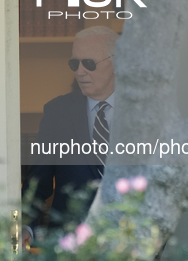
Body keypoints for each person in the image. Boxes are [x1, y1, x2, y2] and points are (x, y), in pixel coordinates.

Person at [22, 26, 118, 245]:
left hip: (130, 242)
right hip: (69, 243)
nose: (80, 71)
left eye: (90, 63)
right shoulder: (57, 112)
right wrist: (26, 225)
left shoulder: (142, 112)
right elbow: (38, 182)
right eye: (75, 63)